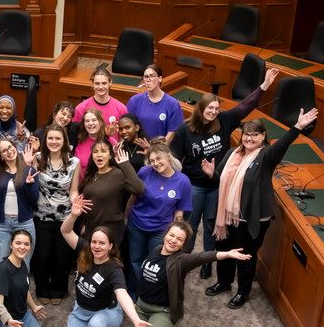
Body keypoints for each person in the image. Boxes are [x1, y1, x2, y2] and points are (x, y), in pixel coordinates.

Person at [204, 108, 318, 309]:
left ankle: (243, 292)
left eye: (254, 134)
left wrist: (298, 127)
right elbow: (219, 179)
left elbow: (282, 144)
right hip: (227, 215)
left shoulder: (266, 156)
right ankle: (224, 282)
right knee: (224, 247)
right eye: (246, 134)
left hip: (251, 217)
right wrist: (212, 174)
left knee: (246, 254)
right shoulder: (232, 153)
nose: (249, 138)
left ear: (263, 136)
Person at [170, 67, 278, 278]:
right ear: (200, 108)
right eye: (209, 108)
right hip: (194, 186)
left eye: (216, 109)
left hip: (217, 186)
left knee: (212, 226)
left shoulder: (225, 121)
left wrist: (264, 85)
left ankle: (208, 261)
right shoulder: (186, 129)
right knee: (190, 225)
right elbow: (175, 158)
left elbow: (246, 106)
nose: (213, 112)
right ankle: (184, 259)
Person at [130, 221, 251, 327]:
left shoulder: (181, 260)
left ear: (183, 244)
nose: (173, 240)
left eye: (179, 239)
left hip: (162, 311)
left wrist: (226, 254)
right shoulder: (156, 249)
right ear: (165, 235)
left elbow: (202, 257)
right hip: (142, 307)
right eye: (172, 235)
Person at [60, 195, 152, 327]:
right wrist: (73, 215)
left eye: (102, 243)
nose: (96, 246)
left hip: (106, 312)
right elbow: (65, 231)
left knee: (97, 325)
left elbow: (122, 295)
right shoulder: (85, 250)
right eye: (94, 242)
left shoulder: (114, 268)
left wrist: (135, 319)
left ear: (110, 245)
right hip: (81, 310)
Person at [126, 142, 192, 296]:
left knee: (153, 264)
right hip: (137, 226)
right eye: (152, 160)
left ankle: (148, 295)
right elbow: (133, 196)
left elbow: (179, 212)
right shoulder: (144, 172)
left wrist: (177, 234)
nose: (155, 163)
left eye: (159, 159)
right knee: (135, 261)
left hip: (160, 231)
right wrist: (125, 217)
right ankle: (133, 294)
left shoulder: (183, 181)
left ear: (168, 157)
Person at [0, 230, 55, 327]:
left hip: (24, 315)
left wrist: (34, 307)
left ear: (30, 246)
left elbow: (25, 290)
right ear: (11, 244)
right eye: (18, 243)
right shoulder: (3, 270)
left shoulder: (23, 264)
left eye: (26, 244)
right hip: (8, 320)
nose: (22, 247)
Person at [33, 124, 80, 304]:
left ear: (64, 141)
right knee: (42, 255)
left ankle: (59, 289)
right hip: (41, 215)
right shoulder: (37, 158)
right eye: (50, 138)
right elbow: (29, 184)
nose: (54, 142)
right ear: (46, 140)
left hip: (65, 217)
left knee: (62, 256)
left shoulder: (74, 162)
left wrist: (76, 203)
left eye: (58, 138)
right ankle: (42, 288)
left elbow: (73, 190)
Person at [79, 138, 144, 244]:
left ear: (110, 155)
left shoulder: (118, 174)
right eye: (95, 152)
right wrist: (84, 224)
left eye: (103, 151)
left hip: (111, 230)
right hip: (91, 229)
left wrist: (125, 164)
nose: (99, 155)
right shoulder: (90, 175)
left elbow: (139, 189)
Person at [0, 138, 39, 268]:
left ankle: (22, 289)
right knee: (0, 263)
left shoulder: (29, 170)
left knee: (24, 264)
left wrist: (29, 185)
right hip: (0, 224)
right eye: (4, 150)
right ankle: (1, 288)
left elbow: (34, 200)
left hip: (24, 223)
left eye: (10, 147)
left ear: (15, 147)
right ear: (1, 156)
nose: (9, 151)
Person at [126, 65, 183, 141]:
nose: (148, 80)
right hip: (138, 147)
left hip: (160, 150)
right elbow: (127, 125)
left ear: (160, 78)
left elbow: (172, 133)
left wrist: (157, 150)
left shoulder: (173, 104)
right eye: (146, 77)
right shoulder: (135, 101)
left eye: (152, 76)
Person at [74, 108, 118, 176]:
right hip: (81, 184)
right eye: (87, 121)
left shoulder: (111, 141)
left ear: (100, 122)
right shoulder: (79, 140)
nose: (90, 123)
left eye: (94, 120)